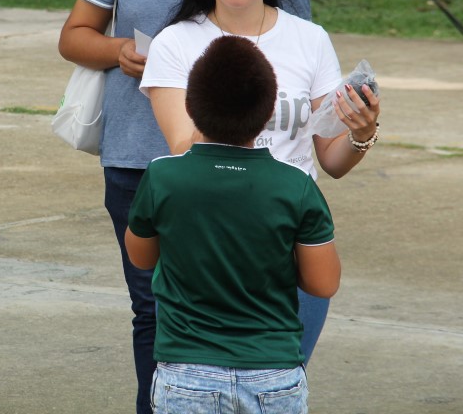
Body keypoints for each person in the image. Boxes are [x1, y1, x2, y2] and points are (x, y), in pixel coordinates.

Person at [57, 0, 312, 414]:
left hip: (245, 164)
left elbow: (299, 43)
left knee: (255, 304)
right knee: (152, 308)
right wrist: (119, 52)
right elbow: (74, 36)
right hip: (138, 160)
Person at [139, 0, 380, 376]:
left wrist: (362, 132)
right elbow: (184, 149)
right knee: (195, 384)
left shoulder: (308, 39)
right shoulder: (175, 43)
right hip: (208, 244)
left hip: (289, 235)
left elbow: (329, 161)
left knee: (280, 383)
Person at [125, 35, 341, 414]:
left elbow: (141, 257)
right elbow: (323, 283)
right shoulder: (296, 185)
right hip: (272, 374)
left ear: (190, 106)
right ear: (269, 110)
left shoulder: (162, 177)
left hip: (185, 372)